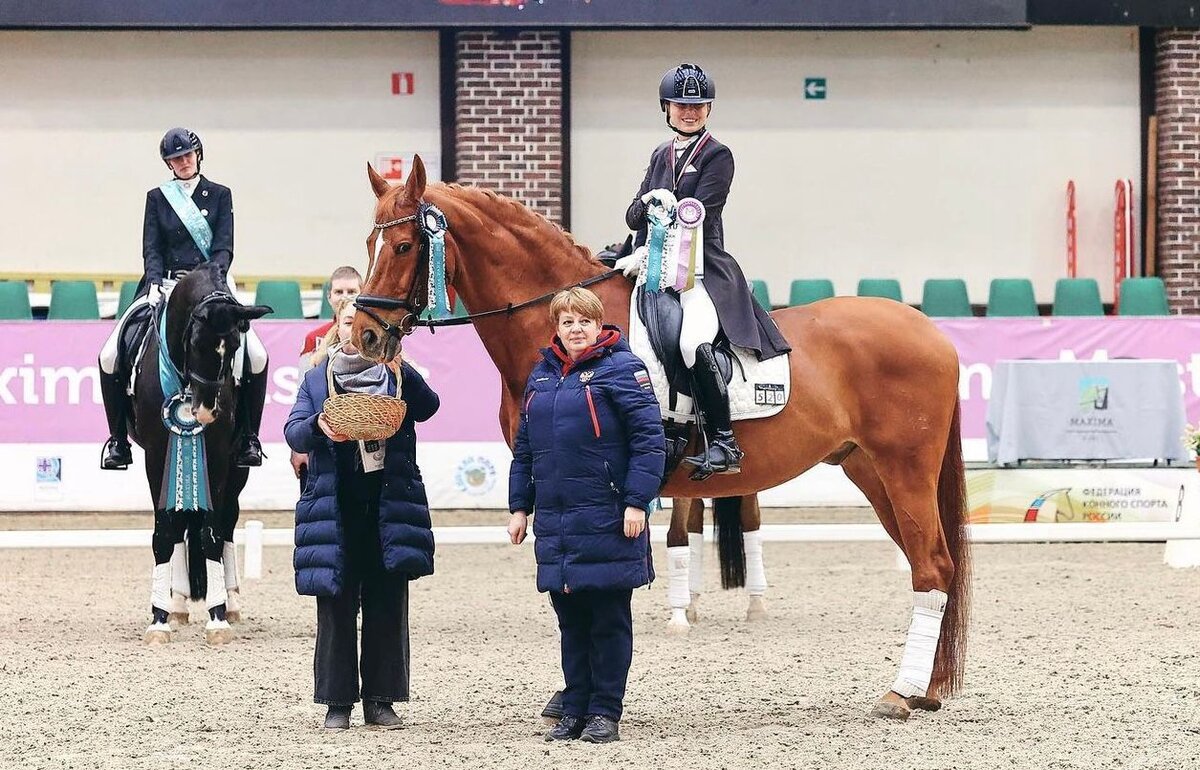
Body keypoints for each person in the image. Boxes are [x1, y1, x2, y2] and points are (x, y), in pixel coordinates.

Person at [507, 287, 666, 744]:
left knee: (608, 620)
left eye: (584, 321)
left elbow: (649, 441)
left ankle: (604, 711)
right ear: (556, 327)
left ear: (599, 325)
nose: (575, 329)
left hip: (609, 517)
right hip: (557, 523)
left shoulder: (623, 369)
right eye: (567, 322)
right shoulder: (542, 376)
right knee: (570, 620)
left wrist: (638, 500)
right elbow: (525, 450)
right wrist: (520, 506)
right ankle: (574, 706)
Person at [615, 63, 790, 476]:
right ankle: (669, 422)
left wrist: (668, 208)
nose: (689, 112)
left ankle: (724, 441)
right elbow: (632, 215)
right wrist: (650, 204)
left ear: (708, 109)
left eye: (698, 105)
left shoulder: (717, 155)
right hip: (655, 267)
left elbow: (703, 211)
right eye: (681, 105)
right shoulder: (660, 154)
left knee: (693, 343)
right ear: (667, 108)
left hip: (701, 269)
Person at [286, 298, 440, 731]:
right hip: (335, 506)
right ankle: (337, 703)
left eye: (361, 322)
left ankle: (381, 700)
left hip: (388, 503)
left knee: (387, 602)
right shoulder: (317, 379)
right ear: (337, 327)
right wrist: (319, 426)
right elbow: (293, 430)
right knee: (335, 606)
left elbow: (430, 407)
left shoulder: (397, 374)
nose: (354, 328)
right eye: (347, 320)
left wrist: (404, 368)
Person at [97, 126, 269, 469]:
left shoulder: (220, 194)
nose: (183, 162)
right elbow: (152, 247)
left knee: (256, 354)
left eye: (187, 155)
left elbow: (223, 246)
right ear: (169, 164)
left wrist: (214, 280)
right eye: (176, 159)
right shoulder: (157, 197)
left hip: (213, 284)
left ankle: (249, 435)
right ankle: (118, 440)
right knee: (109, 353)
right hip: (167, 284)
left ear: (198, 155)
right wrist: (157, 280)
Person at [291, 266, 364, 486]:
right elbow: (301, 396)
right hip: (322, 437)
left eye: (352, 291)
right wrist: (298, 448)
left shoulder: (375, 336)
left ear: (363, 293)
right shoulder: (313, 338)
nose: (345, 297)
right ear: (329, 297)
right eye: (339, 292)